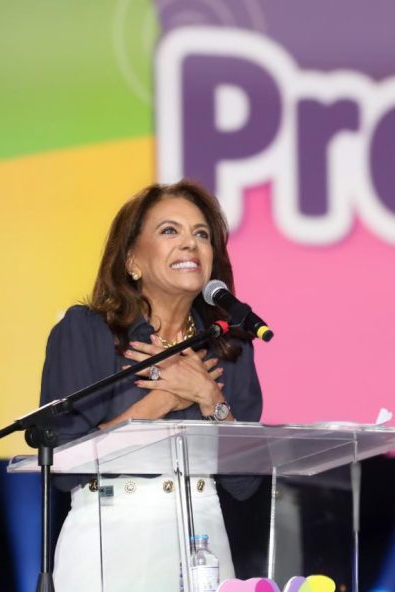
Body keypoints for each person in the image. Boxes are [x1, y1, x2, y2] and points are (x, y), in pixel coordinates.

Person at [39, 180, 263, 591]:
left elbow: (245, 483)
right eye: (169, 231)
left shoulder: (230, 347)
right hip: (109, 536)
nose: (190, 244)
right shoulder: (87, 332)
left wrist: (210, 398)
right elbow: (62, 468)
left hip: (205, 536)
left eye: (201, 234)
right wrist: (160, 402)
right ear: (132, 261)